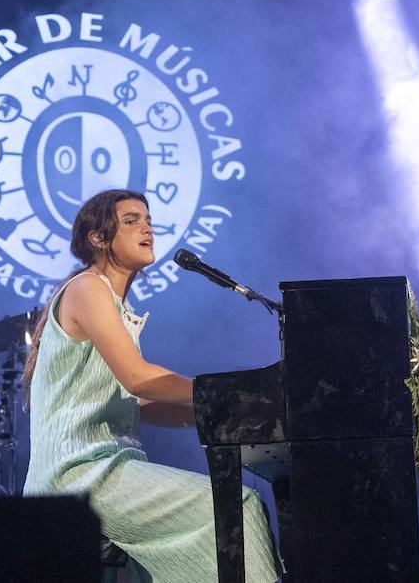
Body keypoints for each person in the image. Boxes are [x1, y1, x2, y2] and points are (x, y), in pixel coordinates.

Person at [22, 189, 281, 583]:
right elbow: (138, 377)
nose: (147, 228)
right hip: (78, 476)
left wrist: (217, 414)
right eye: (131, 221)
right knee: (240, 506)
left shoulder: (114, 304)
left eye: (148, 221)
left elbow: (140, 401)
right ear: (98, 238)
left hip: (105, 470)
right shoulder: (88, 289)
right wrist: (225, 395)